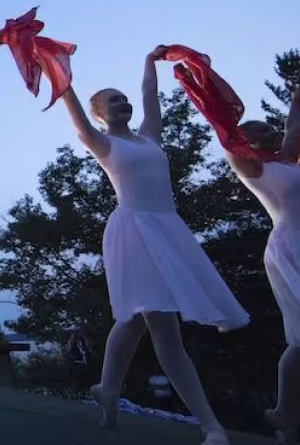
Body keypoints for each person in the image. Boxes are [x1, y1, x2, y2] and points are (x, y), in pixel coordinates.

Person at [59, 46, 249, 445]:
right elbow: (73, 110)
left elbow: (150, 94)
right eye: (113, 100)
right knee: (162, 327)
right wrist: (60, 77)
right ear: (99, 113)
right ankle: (210, 425)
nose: (123, 103)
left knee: (131, 320)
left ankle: (108, 389)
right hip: (133, 233)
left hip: (167, 230)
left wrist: (149, 59)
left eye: (124, 98)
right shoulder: (104, 144)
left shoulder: (149, 139)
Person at [226, 89, 300, 442]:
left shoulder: (284, 158)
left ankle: (285, 413)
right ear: (248, 144)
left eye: (274, 130)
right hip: (291, 248)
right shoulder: (253, 169)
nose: (275, 134)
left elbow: (293, 126)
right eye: (265, 132)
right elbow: (229, 142)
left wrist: (297, 99)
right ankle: (286, 414)